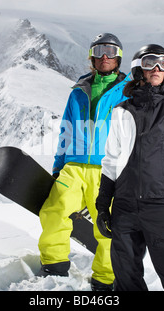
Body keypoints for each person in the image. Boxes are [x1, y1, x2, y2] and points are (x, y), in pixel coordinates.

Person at [95, 44, 164, 291]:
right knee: (125, 279)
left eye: (163, 63)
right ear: (137, 70)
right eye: (150, 62)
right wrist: (103, 205)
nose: (157, 68)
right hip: (124, 206)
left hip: (162, 205)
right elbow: (111, 160)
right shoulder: (121, 111)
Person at [37, 33, 130, 291]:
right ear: (91, 56)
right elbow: (65, 130)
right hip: (74, 167)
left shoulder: (128, 93)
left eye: (110, 51)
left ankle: (105, 279)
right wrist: (58, 167)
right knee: (54, 210)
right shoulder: (78, 92)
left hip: (108, 170)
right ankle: (54, 267)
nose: (104, 56)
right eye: (99, 50)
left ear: (119, 57)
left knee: (109, 226)